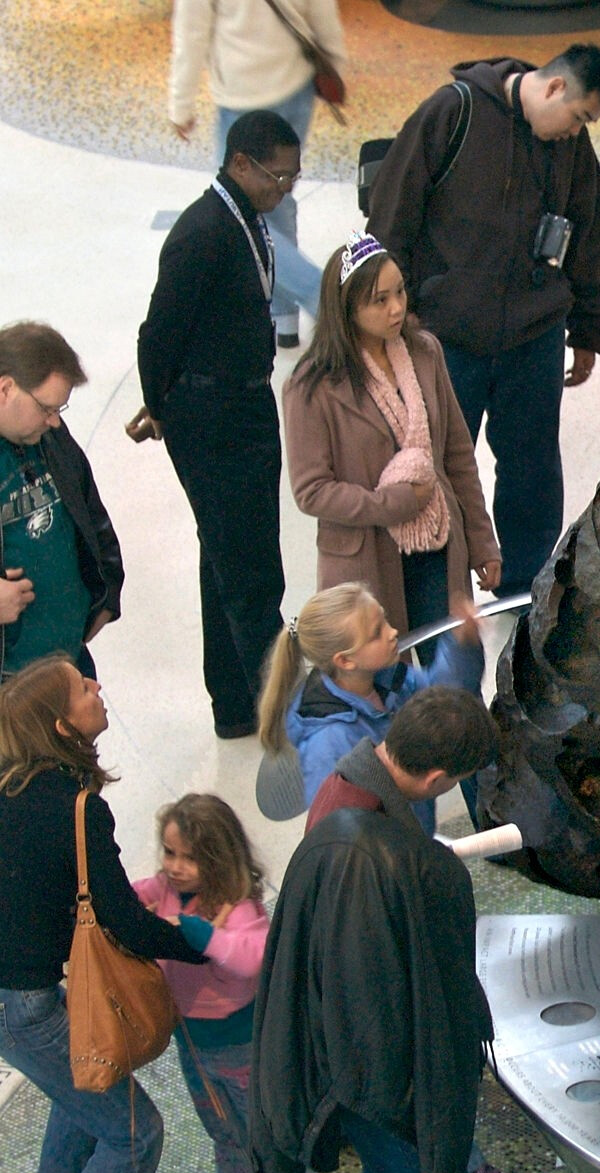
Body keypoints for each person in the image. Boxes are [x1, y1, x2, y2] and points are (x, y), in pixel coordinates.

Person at [366, 45, 600, 597]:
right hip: (445, 338)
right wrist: (395, 319)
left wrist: (586, 325)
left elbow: (589, 228)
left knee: (531, 469)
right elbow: (391, 216)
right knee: (437, 466)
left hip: (533, 335)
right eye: (578, 118)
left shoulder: (571, 151)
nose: (577, 132)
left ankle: (528, 588)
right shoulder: (451, 112)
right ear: (553, 88)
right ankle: (440, 588)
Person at [248, 686, 510, 1173]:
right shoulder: (376, 850)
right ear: (438, 780)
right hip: (376, 1080)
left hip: (351, 1059)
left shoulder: (343, 793)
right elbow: (379, 999)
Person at [0, 655, 207, 1173]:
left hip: (17, 994)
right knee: (135, 1134)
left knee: (84, 1106)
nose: (97, 686)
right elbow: (126, 925)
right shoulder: (76, 807)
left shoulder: (10, 787)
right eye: (81, 688)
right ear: (63, 728)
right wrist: (209, 944)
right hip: (25, 1003)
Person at [138, 110, 298, 739]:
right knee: (251, 569)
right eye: (276, 177)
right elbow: (158, 333)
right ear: (240, 164)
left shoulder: (244, 220)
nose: (283, 189)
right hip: (214, 419)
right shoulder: (201, 233)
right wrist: (162, 405)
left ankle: (234, 704)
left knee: (227, 560)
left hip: (245, 407)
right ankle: (273, 708)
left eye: (292, 177)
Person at [283, 232, 501, 657]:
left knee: (454, 680)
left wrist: (481, 538)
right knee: (383, 688)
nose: (397, 308)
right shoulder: (312, 386)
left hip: (437, 547)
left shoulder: (425, 352)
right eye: (379, 300)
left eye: (399, 291)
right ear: (347, 308)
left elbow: (457, 455)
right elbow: (311, 490)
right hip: (366, 560)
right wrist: (392, 504)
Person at [167, 0, 348, 347]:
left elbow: (191, 32)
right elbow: (321, 9)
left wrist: (181, 104)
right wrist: (335, 64)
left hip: (242, 99)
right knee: (277, 200)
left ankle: (323, 299)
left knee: (245, 217)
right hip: (295, 87)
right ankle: (283, 316)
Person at [256, 580, 484, 827]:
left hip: (412, 831)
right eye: (377, 633)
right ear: (345, 660)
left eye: (385, 620)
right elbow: (341, 827)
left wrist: (460, 646)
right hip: (382, 853)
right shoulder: (330, 741)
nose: (392, 632)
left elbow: (442, 699)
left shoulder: (387, 680)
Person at [132, 794, 268, 1173]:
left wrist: (199, 933)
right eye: (170, 853)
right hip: (191, 1044)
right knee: (223, 1134)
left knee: (264, 1138)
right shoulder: (165, 890)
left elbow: (250, 959)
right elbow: (131, 895)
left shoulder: (240, 907)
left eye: (188, 858)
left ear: (218, 859)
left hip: (241, 1046)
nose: (174, 867)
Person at [0, 322, 122, 681]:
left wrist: (108, 590)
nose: (54, 422)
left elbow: (89, 510)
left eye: (59, 410)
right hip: (12, 683)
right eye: (46, 408)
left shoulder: (50, 438)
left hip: (69, 662)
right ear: (5, 388)